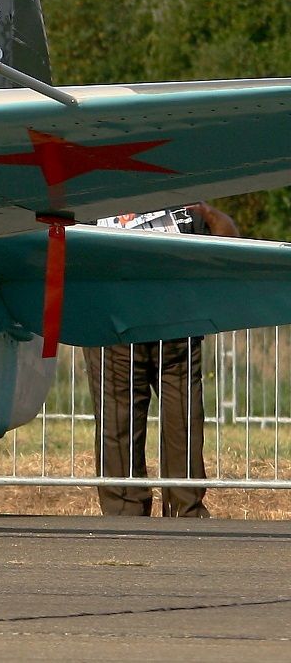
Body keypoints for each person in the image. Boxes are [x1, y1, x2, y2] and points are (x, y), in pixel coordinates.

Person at [82, 202, 239, 517]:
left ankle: (186, 511)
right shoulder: (91, 205)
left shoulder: (185, 207)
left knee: (184, 420)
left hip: (177, 331)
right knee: (117, 423)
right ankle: (125, 514)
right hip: (114, 329)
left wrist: (207, 213)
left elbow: (231, 241)